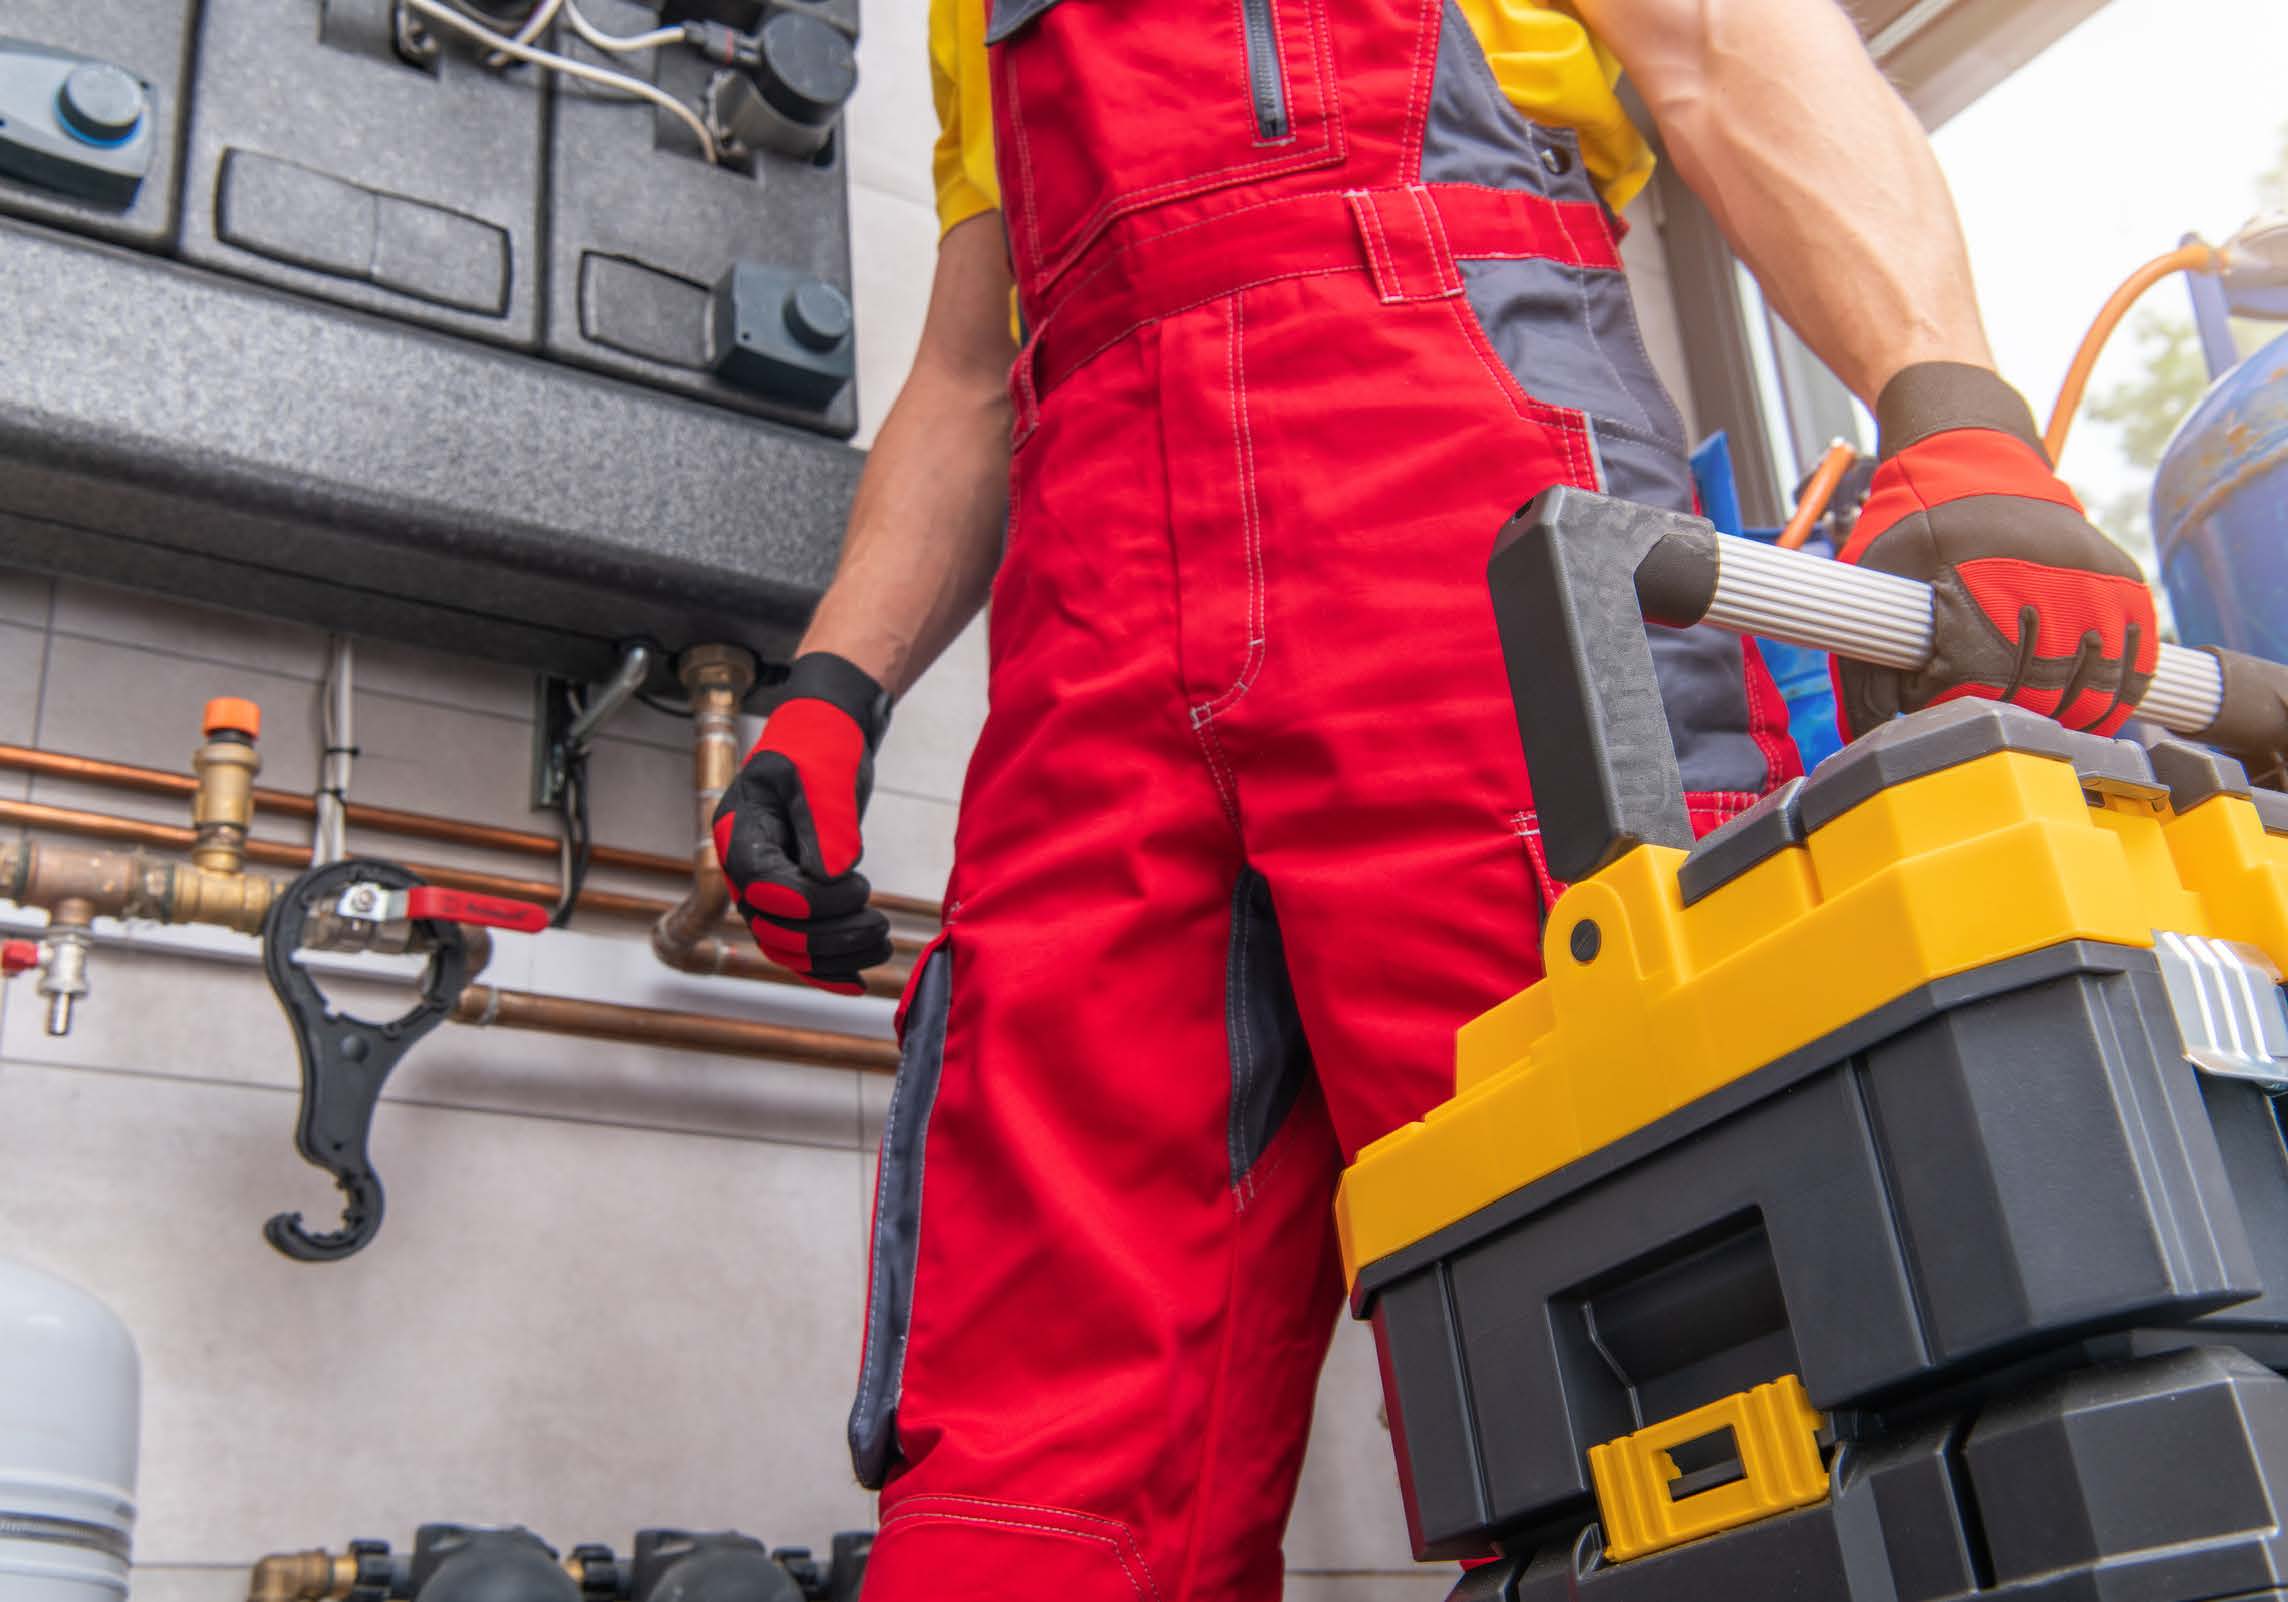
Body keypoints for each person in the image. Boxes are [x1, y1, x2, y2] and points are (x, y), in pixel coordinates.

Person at [711, 1, 2158, 1595]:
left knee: (1662, 1329)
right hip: (1092, 619)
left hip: (1462, 512)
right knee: (1028, 1449)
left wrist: (1951, 411)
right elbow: (970, 366)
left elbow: (1723, 46)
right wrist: (833, 687)